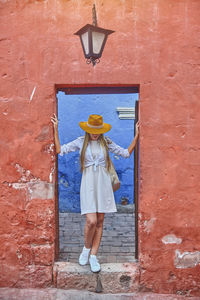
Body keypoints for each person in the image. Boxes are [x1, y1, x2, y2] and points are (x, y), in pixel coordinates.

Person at [51, 113, 139, 273]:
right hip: (88, 185)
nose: (95, 133)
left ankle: (93, 256)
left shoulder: (106, 142)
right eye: (92, 129)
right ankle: (86, 248)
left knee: (99, 221)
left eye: (97, 130)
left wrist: (137, 135)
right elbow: (59, 150)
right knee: (91, 221)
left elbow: (125, 153)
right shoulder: (80, 142)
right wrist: (56, 128)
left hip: (104, 185)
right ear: (87, 129)